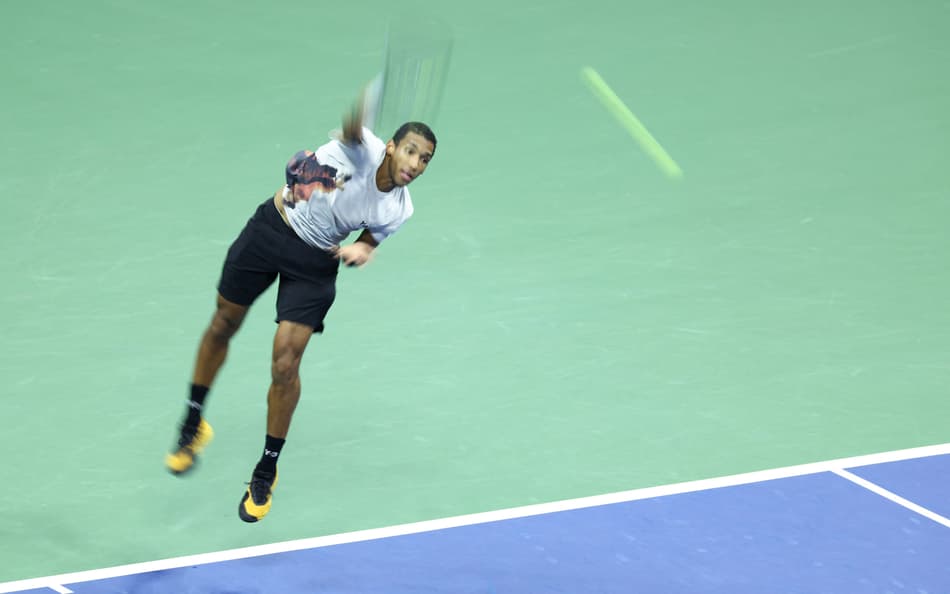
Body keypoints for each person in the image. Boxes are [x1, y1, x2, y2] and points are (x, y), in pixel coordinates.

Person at [164, 88, 437, 523]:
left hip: (315, 263)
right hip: (271, 229)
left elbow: (373, 234)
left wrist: (364, 249)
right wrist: (368, 99)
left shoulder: (400, 208)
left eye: (424, 160)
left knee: (285, 366)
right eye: (410, 151)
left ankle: (266, 469)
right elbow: (352, 125)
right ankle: (194, 422)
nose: (415, 165)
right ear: (390, 147)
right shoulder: (362, 149)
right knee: (223, 322)